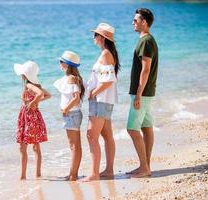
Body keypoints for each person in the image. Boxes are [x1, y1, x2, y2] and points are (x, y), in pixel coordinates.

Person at [83, 23, 120, 181]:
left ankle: (94, 173)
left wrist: (93, 93)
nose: (93, 37)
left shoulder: (105, 54)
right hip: (105, 101)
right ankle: (109, 171)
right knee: (106, 135)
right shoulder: (108, 53)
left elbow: (108, 80)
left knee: (91, 136)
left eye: (95, 35)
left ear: (102, 38)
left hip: (100, 101)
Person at [126, 8, 158, 178]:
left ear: (144, 22)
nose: (133, 22)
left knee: (132, 129)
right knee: (146, 127)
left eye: (136, 20)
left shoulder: (146, 41)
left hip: (142, 93)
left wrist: (138, 94)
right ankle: (145, 166)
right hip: (148, 92)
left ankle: (144, 167)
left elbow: (145, 70)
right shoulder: (148, 40)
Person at [14, 60, 51, 180]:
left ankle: (23, 176)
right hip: (33, 117)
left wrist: (34, 102)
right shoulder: (36, 86)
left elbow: (40, 94)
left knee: (22, 148)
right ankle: (37, 174)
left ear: (25, 75)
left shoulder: (30, 85)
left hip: (28, 117)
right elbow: (48, 95)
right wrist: (36, 101)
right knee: (36, 147)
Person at [53, 51, 85, 181]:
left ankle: (73, 174)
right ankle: (73, 173)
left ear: (65, 64)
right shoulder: (72, 78)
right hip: (72, 114)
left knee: (74, 146)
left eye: (61, 62)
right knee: (75, 145)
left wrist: (66, 109)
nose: (59, 64)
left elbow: (76, 99)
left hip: (71, 114)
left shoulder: (71, 78)